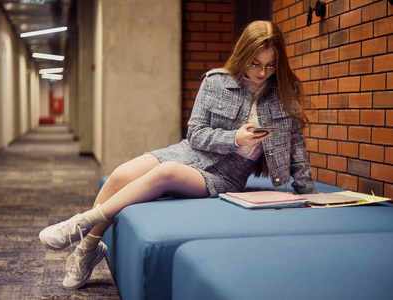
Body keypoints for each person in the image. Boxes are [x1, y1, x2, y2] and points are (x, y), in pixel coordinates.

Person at [39, 20, 318, 290]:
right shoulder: (216, 81)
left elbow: (296, 147)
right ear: (243, 54)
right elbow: (195, 134)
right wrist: (234, 138)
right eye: (255, 63)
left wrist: (312, 196)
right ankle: (89, 248)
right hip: (189, 152)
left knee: (165, 173)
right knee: (120, 174)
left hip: (224, 176)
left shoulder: (285, 92)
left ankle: (80, 223)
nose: (262, 72)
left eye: (271, 65)